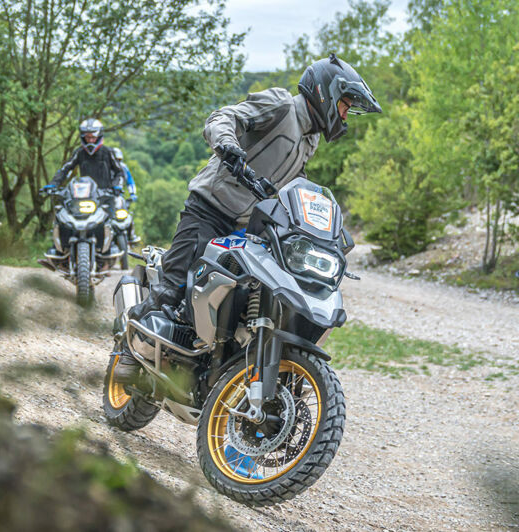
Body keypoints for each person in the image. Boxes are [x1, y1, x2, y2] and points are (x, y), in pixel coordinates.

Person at [115, 53, 381, 382]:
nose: (345, 115)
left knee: (247, 298)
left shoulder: (310, 139)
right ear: (326, 93)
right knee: (172, 288)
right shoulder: (282, 105)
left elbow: (294, 188)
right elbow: (225, 116)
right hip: (210, 207)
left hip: (245, 226)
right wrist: (227, 144)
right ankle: (127, 350)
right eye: (345, 104)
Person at [42, 118, 125, 256]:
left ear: (99, 136)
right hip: (84, 193)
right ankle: (59, 247)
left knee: (112, 220)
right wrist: (53, 184)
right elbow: (65, 169)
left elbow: (119, 172)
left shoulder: (107, 152)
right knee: (63, 213)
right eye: (87, 137)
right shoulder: (79, 152)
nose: (90, 140)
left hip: (105, 194)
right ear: (83, 137)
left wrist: (116, 186)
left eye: (93, 137)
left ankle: (110, 248)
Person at [112, 148, 140, 243]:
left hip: (119, 196)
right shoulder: (104, 167)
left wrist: (132, 194)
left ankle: (131, 235)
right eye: (115, 160)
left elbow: (130, 182)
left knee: (126, 214)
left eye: (119, 160)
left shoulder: (124, 168)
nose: (117, 162)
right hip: (104, 197)